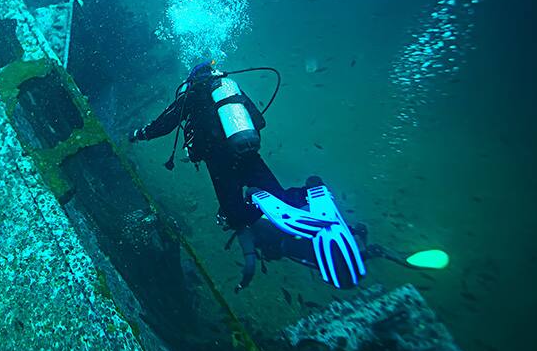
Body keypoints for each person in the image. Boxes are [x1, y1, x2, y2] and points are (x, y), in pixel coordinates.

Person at [130, 60, 363, 289]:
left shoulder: (191, 94)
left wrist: (140, 134)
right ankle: (311, 190)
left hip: (219, 159)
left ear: (191, 79)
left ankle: (257, 206)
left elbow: (165, 123)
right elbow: (259, 121)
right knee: (279, 199)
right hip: (248, 151)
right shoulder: (229, 88)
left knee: (236, 215)